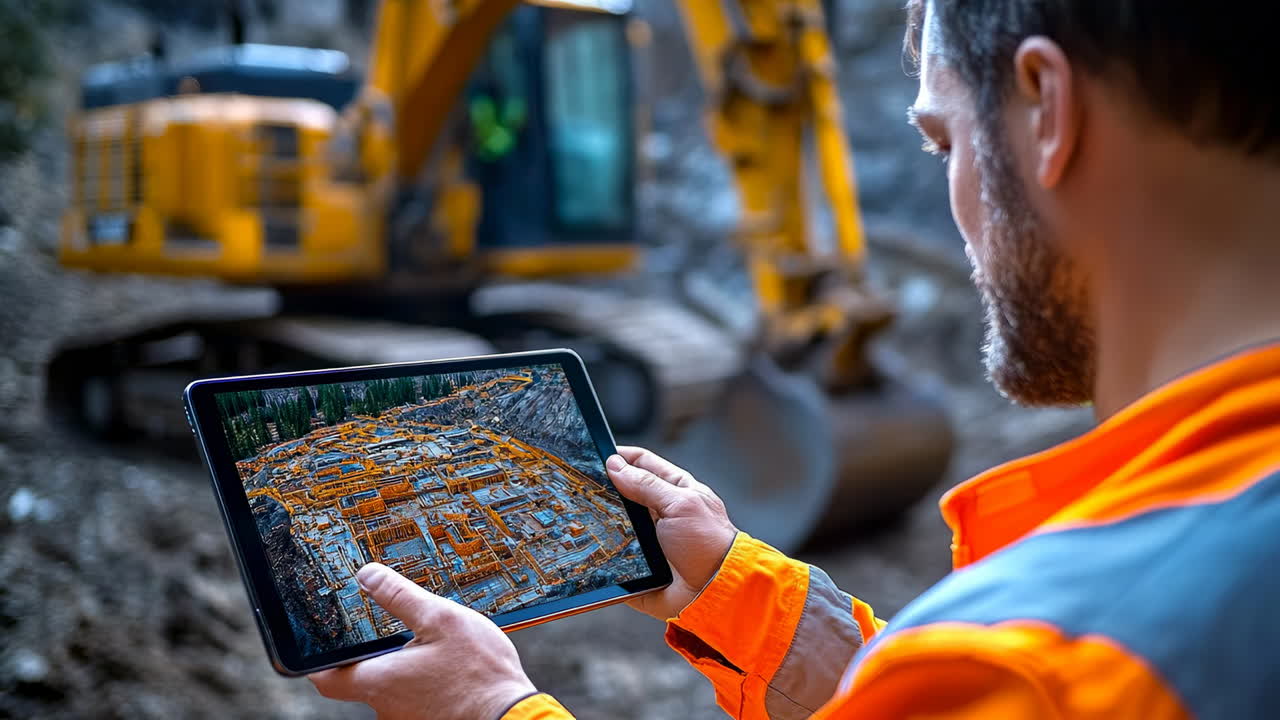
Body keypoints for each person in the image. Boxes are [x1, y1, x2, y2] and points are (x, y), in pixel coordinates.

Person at [311, 0, 1280, 717]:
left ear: (1045, 108)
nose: (954, 193)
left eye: (941, 141)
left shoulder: (1047, 666)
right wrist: (735, 592)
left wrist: (489, 706)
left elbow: (996, 682)